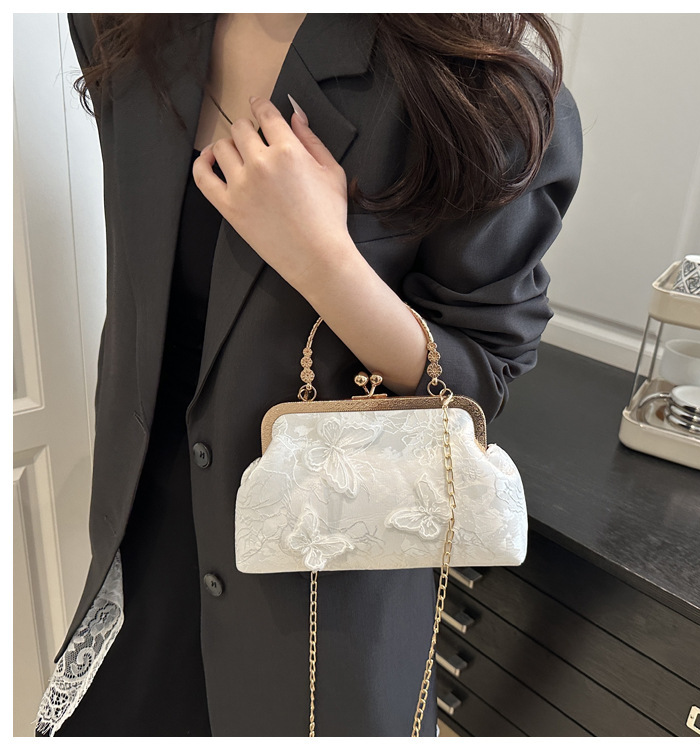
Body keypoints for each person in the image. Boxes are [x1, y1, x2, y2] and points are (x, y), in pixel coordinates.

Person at [34, 12, 583, 737]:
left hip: (323, 603)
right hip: (136, 555)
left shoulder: (480, 89)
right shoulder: (126, 25)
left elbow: (480, 378)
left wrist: (324, 260)